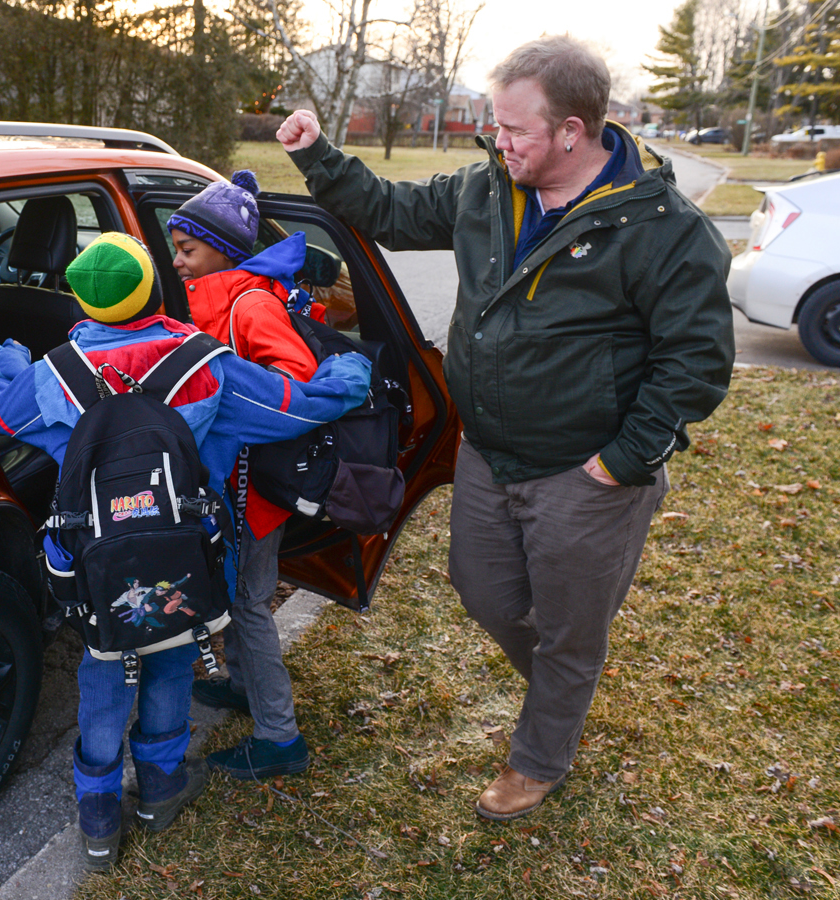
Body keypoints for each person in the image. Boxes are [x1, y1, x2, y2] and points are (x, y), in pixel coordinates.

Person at [277, 35, 734, 821]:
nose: (497, 142)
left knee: (566, 625)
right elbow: (388, 210)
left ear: (572, 131)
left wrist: (619, 463)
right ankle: (565, 681)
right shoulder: (488, 190)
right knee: (483, 591)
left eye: (513, 129)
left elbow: (696, 365)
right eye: (494, 126)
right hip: (488, 453)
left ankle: (542, 754)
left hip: (585, 470)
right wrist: (320, 156)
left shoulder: (661, 228)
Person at [0, 232, 371, 867]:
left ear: (81, 298)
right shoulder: (205, 364)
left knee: (103, 667)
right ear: (152, 288)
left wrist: (8, 362)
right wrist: (348, 369)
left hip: (94, 565)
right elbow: (298, 407)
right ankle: (161, 785)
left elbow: (3, 417)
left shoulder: (52, 376)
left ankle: (99, 811)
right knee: (169, 658)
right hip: (184, 555)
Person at [166, 172, 323, 780]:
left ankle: (280, 738)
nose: (177, 261)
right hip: (230, 484)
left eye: (187, 249)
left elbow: (298, 388)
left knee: (250, 603)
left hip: (254, 489)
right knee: (233, 594)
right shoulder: (217, 298)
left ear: (223, 251)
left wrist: (232, 405)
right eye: (176, 248)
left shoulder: (249, 305)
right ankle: (238, 682)